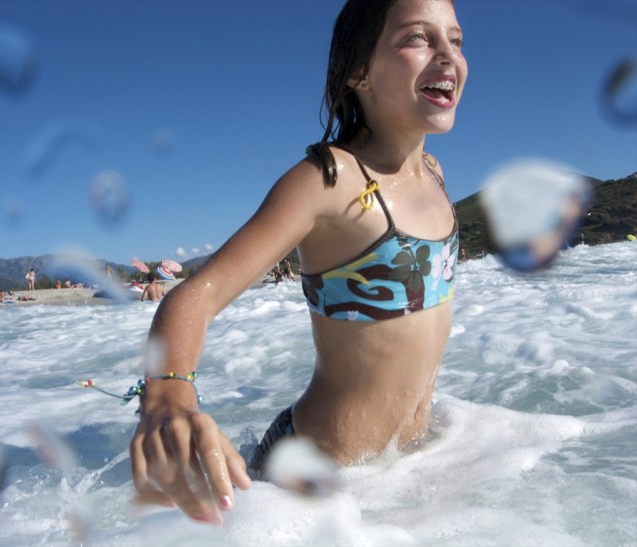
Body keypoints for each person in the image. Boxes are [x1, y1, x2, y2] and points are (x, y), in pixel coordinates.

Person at [130, 0, 467, 526]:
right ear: (359, 70)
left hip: (403, 469)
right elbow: (198, 294)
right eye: (418, 39)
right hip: (311, 483)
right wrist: (169, 396)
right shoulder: (327, 181)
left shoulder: (434, 171)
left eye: (456, 40)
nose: (447, 56)